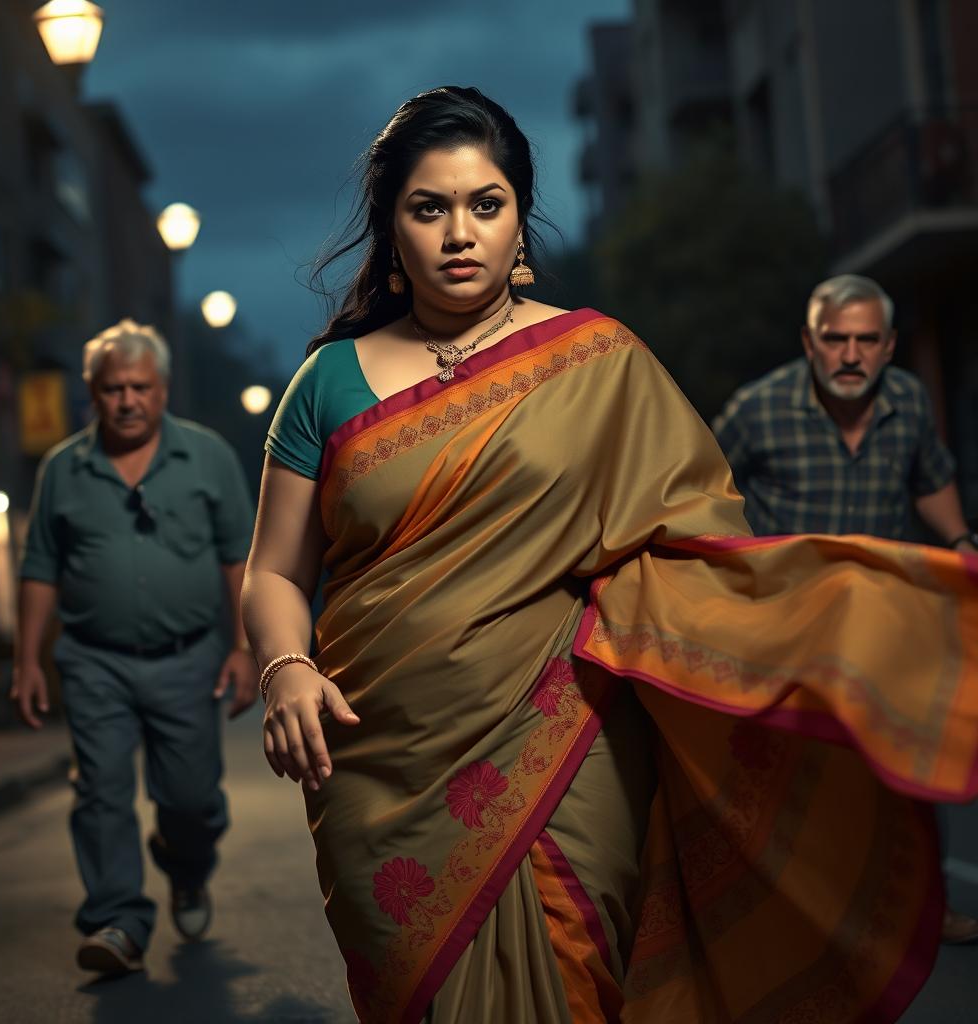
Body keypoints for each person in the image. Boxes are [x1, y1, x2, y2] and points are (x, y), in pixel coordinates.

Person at [241, 87, 977, 1023]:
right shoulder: (325, 382)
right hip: (374, 756)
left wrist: (835, 627)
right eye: (429, 208)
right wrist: (286, 669)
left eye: (486, 204)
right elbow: (273, 569)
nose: (459, 232)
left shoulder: (598, 361)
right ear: (392, 228)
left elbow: (698, 539)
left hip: (566, 737)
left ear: (520, 222)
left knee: (573, 974)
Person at [713, 273, 978, 944]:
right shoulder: (756, 410)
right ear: (810, 341)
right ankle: (788, 913)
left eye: (866, 340)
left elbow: (932, 479)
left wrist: (960, 541)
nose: (851, 355)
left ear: (889, 346)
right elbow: (703, 489)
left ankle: (930, 908)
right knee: (798, 776)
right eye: (835, 339)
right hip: (794, 626)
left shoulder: (910, 403)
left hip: (890, 620)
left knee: (911, 758)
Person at [12, 319, 257, 975]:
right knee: (101, 791)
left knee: (191, 800)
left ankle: (186, 867)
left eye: (140, 387)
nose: (127, 400)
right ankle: (117, 920)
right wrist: (28, 660)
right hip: (95, 662)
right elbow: (40, 568)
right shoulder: (64, 468)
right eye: (113, 388)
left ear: (163, 388)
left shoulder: (207, 458)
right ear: (92, 392)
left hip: (189, 659)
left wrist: (244, 648)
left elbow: (241, 560)